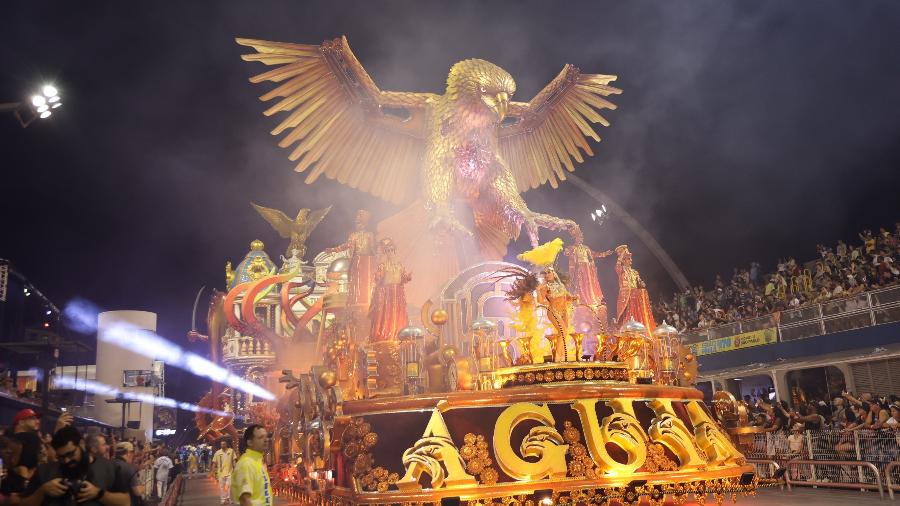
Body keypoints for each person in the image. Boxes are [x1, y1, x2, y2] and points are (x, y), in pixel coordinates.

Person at [19, 426, 128, 506]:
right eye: (61, 457)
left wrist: (100, 494)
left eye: (70, 454)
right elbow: (23, 503)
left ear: (81, 444)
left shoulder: (110, 468)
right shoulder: (44, 471)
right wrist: (42, 491)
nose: (66, 461)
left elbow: (126, 502)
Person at [230, 426, 271, 506]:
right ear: (250, 442)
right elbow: (245, 500)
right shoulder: (246, 464)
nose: (266, 440)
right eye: (260, 437)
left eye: (266, 436)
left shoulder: (257, 462)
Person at [210, 441, 235, 505]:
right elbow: (214, 463)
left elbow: (233, 461)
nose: (222, 445)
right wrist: (212, 472)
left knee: (228, 486)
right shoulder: (217, 453)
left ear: (226, 444)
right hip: (221, 473)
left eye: (223, 444)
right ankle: (223, 500)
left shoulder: (231, 451)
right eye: (221, 444)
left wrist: (235, 469)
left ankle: (228, 499)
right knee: (222, 487)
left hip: (229, 472)